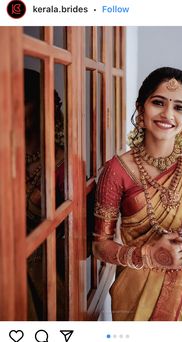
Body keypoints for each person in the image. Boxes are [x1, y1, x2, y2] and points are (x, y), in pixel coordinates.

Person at [92, 67, 182, 321]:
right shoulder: (117, 170)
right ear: (141, 108)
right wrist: (145, 255)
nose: (168, 114)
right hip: (137, 291)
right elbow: (100, 245)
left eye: (179, 107)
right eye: (158, 102)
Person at [24, 68, 66, 320]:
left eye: (22, 101)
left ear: (41, 107)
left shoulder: (63, 162)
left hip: (46, 274)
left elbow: (79, 240)